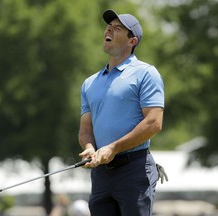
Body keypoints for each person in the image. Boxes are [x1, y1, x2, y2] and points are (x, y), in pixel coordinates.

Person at [78, 9, 165, 216]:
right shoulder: (90, 83)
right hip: (101, 175)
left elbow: (153, 123)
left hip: (134, 169)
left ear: (132, 41)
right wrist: (89, 147)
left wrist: (114, 148)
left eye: (118, 28)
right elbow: (85, 129)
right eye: (109, 26)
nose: (109, 29)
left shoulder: (146, 73)